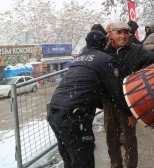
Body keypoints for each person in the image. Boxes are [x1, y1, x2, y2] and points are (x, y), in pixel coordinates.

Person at [47, 30, 128, 168]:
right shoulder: (105, 59)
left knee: (69, 160)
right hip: (73, 115)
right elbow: (116, 93)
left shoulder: (78, 59)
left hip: (54, 112)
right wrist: (128, 113)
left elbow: (85, 87)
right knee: (83, 161)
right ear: (103, 43)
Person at [104, 21, 154, 168]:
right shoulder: (104, 51)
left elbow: (151, 56)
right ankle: (115, 165)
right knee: (112, 141)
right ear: (111, 34)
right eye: (119, 32)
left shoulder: (136, 50)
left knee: (129, 141)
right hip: (109, 103)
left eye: (126, 32)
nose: (123, 36)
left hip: (129, 102)